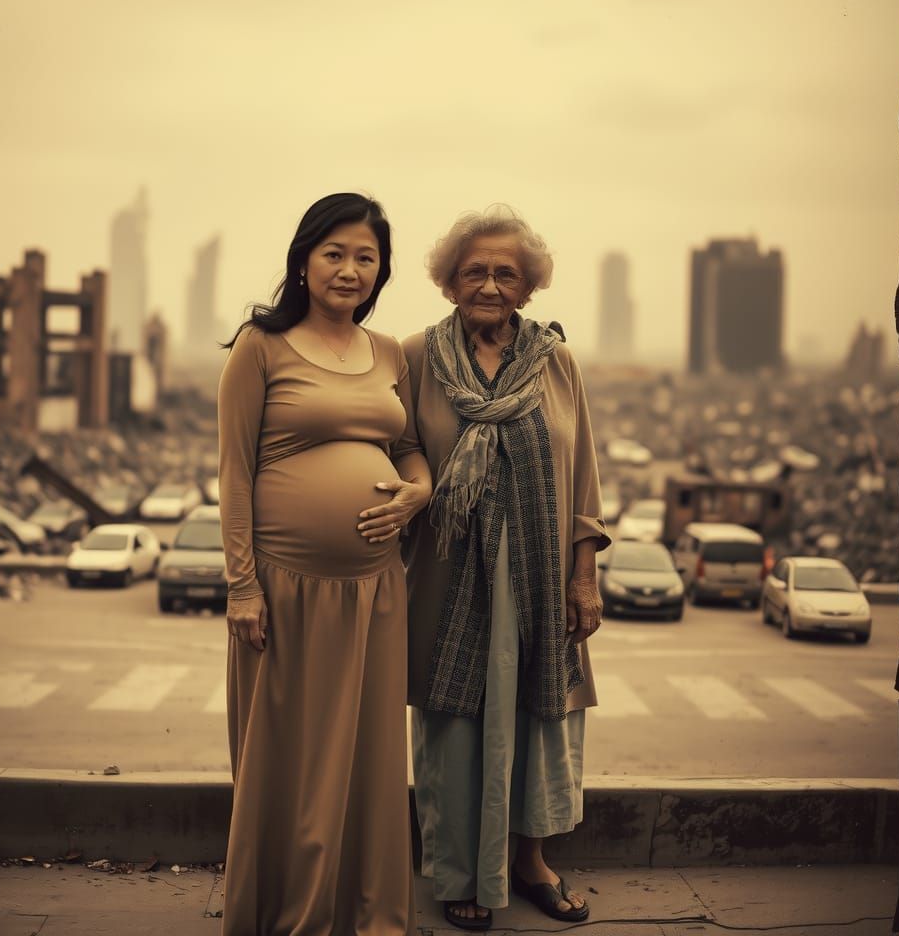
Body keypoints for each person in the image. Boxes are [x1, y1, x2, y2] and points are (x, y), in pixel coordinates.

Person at [216, 193, 432, 936]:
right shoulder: (261, 346)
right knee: (288, 758)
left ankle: (367, 913)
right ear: (304, 260)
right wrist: (242, 586)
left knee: (371, 758)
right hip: (283, 589)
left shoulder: (390, 354)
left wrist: (417, 494)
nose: (349, 269)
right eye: (335, 253)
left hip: (375, 591)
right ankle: (285, 915)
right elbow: (234, 471)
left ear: (381, 272)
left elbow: (408, 451)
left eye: (365, 257)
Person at [400, 205, 611, 930]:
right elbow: (393, 456)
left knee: (541, 722)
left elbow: (581, 472)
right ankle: (459, 872)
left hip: (541, 581)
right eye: (474, 271)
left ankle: (531, 863)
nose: (489, 284)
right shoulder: (415, 358)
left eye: (506, 273)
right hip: (449, 576)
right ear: (449, 282)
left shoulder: (556, 362)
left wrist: (584, 578)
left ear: (528, 288)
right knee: (453, 730)